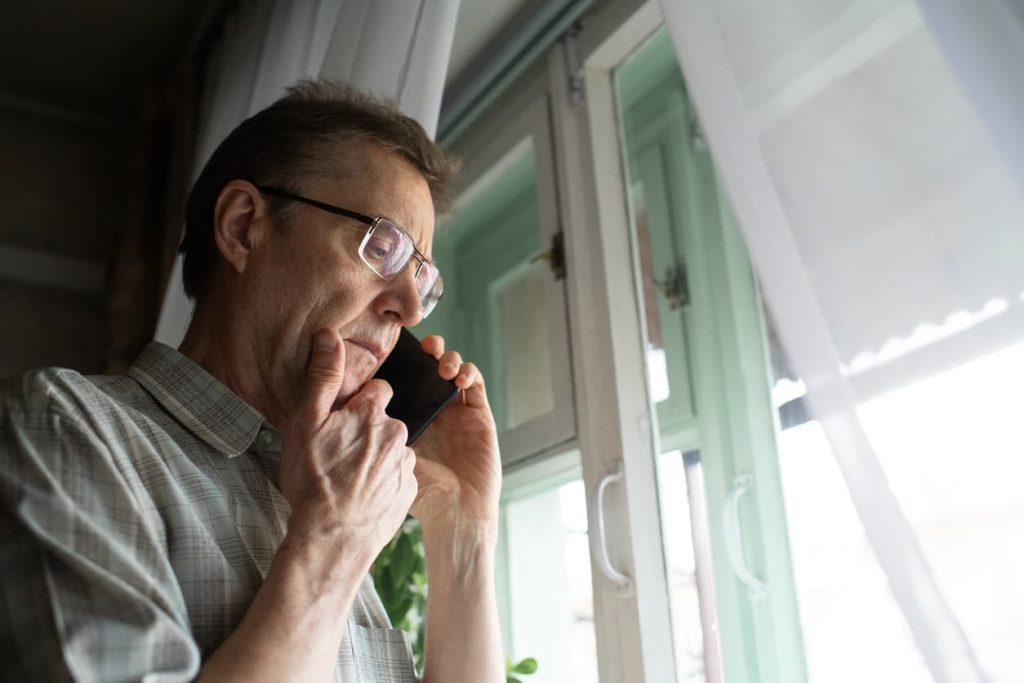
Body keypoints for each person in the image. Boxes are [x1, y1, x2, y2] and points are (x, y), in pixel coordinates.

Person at [0, 80, 503, 682]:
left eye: (421, 277)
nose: (410, 308)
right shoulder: (59, 425)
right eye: (384, 248)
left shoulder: (327, 489)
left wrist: (463, 530)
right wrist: (331, 546)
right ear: (242, 227)